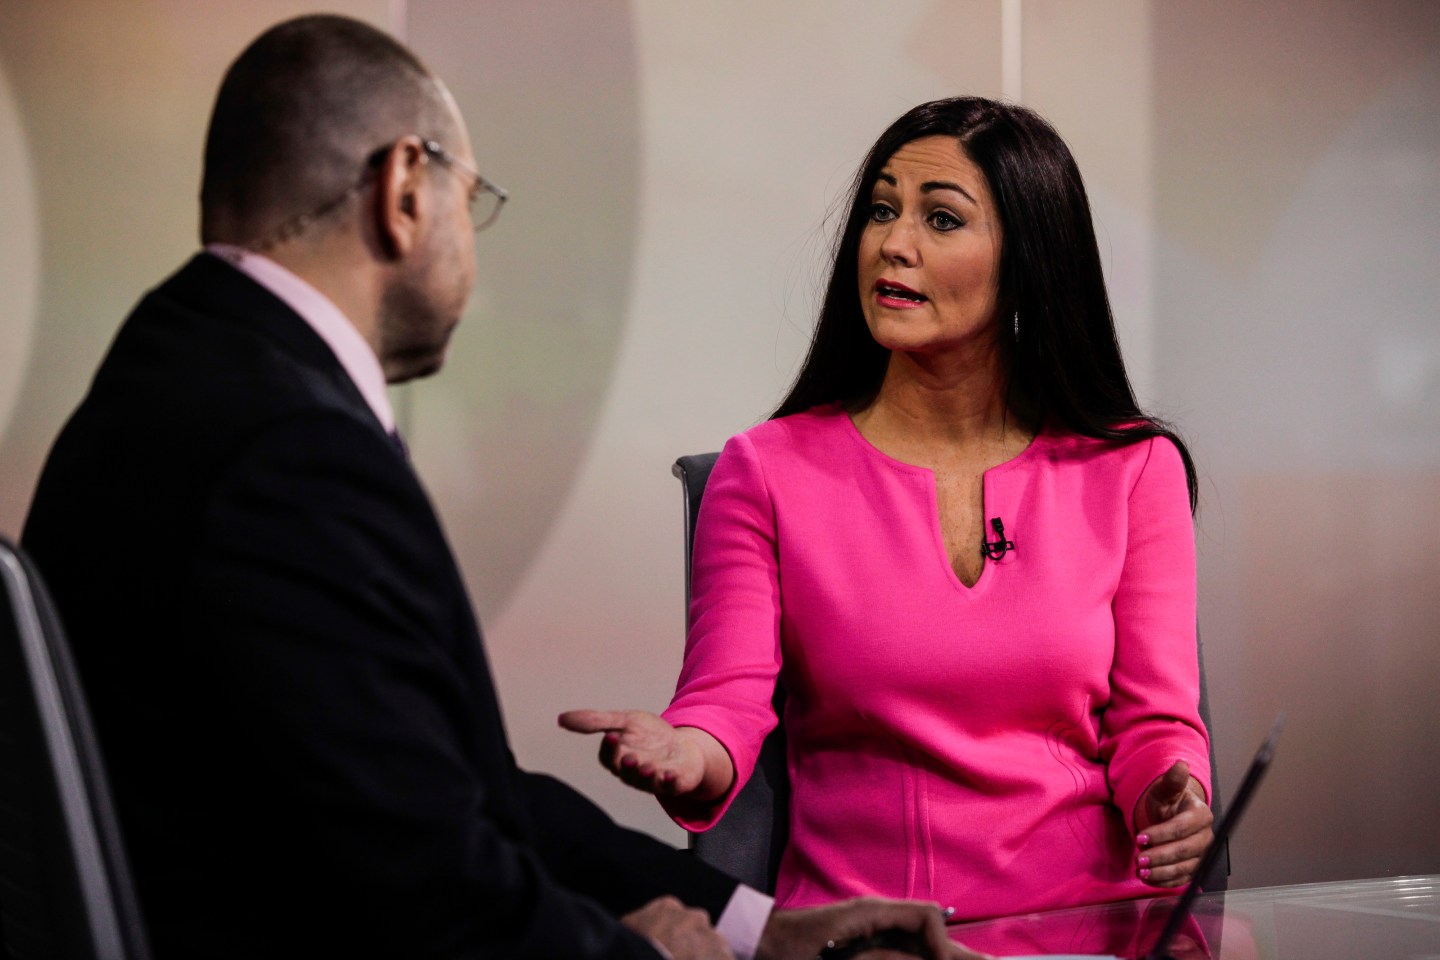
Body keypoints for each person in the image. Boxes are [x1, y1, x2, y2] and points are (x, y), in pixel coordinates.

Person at [20, 17, 977, 960]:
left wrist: (752, 927)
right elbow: (433, 891)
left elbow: (456, 790)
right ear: (403, 189)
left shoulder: (178, 376)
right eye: (471, 201)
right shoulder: (290, 451)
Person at [563, 97, 1215, 922]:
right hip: (872, 934)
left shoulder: (1130, 467)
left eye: (941, 219)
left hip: (1093, 928)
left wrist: (1173, 792)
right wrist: (686, 753)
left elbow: (1155, 720)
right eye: (881, 210)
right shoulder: (764, 472)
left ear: (1029, 261)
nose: (892, 243)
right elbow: (724, 702)